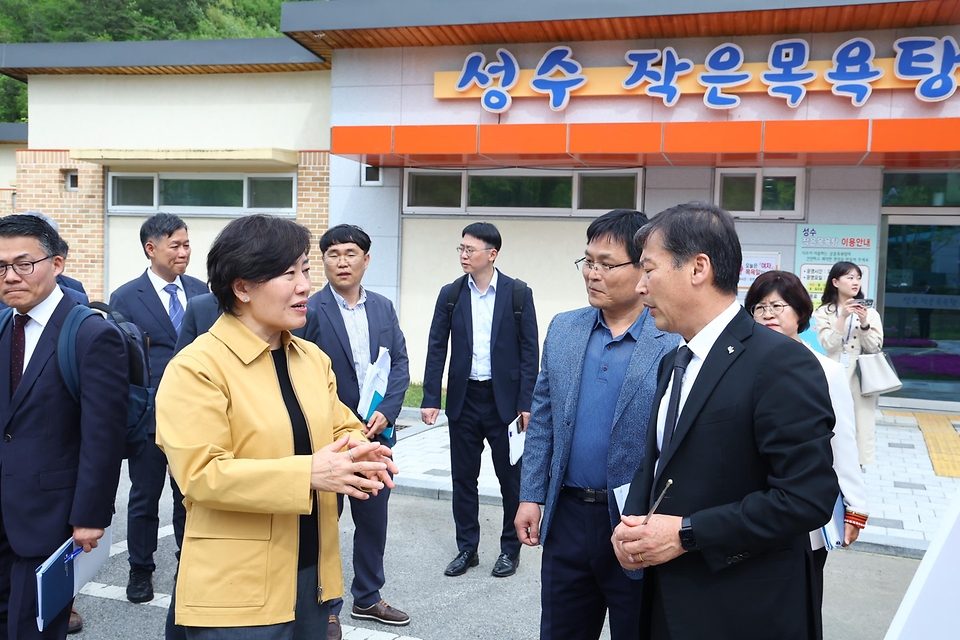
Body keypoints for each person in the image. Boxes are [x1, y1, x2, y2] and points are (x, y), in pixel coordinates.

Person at [156, 214, 398, 639]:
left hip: (312, 579)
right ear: (242, 287)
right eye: (289, 273)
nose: (305, 284)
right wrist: (309, 472)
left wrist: (363, 450)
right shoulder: (197, 367)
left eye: (305, 269)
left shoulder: (310, 359)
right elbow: (200, 474)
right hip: (238, 590)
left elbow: (343, 426)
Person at [613, 202, 839, 640]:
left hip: (744, 610)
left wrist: (687, 534)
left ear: (698, 268)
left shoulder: (780, 362)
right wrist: (631, 527)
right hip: (665, 602)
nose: (640, 287)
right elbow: (658, 463)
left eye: (649, 270)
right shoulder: (675, 360)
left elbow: (807, 497)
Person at [515, 210, 679, 640]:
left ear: (643, 267)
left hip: (636, 521)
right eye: (587, 262)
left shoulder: (671, 339)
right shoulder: (565, 328)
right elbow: (544, 419)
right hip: (568, 515)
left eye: (607, 264)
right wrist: (531, 495)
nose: (592, 274)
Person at [0, 214, 128, 640]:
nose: (10, 276)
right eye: (0, 267)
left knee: (32, 630)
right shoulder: (3, 326)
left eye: (23, 263)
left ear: (57, 264)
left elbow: (103, 437)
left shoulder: (90, 334)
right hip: (4, 509)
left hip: (50, 518)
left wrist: (91, 516)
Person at [301, 224, 411, 639]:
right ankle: (326, 607)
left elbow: (399, 363)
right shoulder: (309, 311)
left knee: (373, 519)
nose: (342, 261)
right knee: (325, 523)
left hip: (375, 435)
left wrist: (387, 411)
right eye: (333, 254)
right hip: (331, 439)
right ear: (323, 261)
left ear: (366, 259)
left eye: (350, 253)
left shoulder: (382, 307)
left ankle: (368, 596)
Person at [745, 270, 869, 631]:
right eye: (759, 307)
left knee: (798, 600)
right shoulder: (738, 364)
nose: (768, 314)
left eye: (777, 306)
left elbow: (842, 439)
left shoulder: (826, 370)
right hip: (750, 504)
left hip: (804, 507)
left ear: (799, 312)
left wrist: (855, 507)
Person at [421, 221, 539, 578]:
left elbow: (530, 351)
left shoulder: (518, 293)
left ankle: (509, 550)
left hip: (504, 404)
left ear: (492, 254)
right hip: (465, 399)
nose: (463, 255)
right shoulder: (451, 294)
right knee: (463, 479)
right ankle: (467, 549)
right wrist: (430, 397)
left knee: (511, 481)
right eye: (460, 249)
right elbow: (436, 346)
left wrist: (527, 404)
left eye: (470, 249)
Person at [109, 213, 209, 604]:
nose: (184, 252)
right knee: (144, 496)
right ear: (151, 249)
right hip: (149, 416)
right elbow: (124, 363)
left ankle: (190, 566)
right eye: (176, 245)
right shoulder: (126, 297)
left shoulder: (202, 292)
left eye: (187, 244)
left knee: (191, 495)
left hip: (196, 415)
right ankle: (140, 570)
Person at [812, 261, 884, 466]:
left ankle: (857, 467)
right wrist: (843, 316)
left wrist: (864, 324)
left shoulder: (870, 312)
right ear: (835, 282)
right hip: (833, 369)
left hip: (861, 373)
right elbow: (829, 344)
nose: (856, 282)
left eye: (858, 277)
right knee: (831, 419)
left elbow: (875, 347)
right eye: (850, 277)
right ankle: (828, 462)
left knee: (862, 422)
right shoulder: (824, 312)